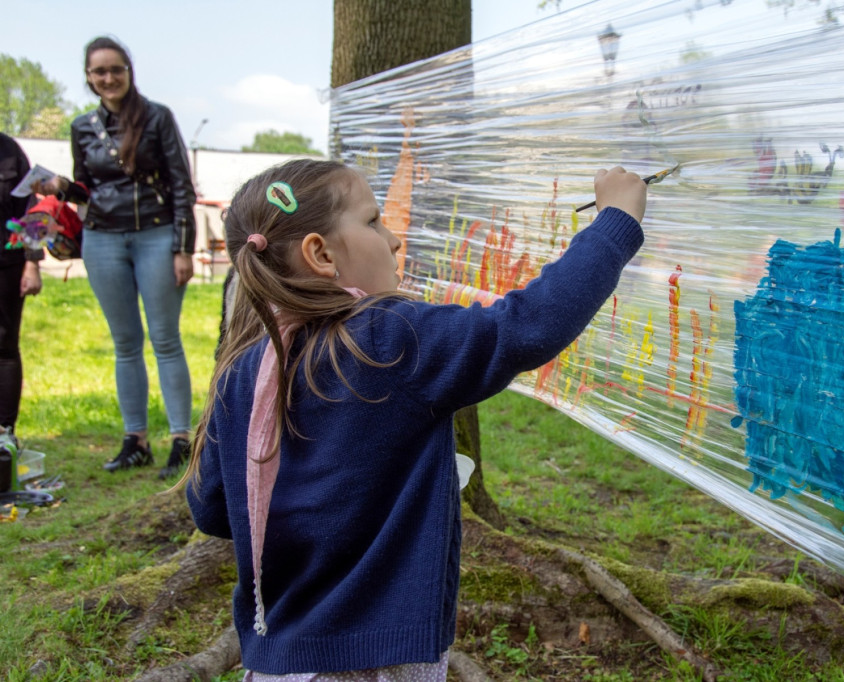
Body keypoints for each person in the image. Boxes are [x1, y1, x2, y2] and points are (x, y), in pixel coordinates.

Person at [179, 158, 647, 678]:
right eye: (374, 220)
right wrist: (615, 222)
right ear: (321, 253)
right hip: (377, 662)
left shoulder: (243, 371)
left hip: (276, 662)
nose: (394, 240)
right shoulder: (387, 339)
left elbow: (213, 510)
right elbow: (526, 326)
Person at [35, 36, 196, 478]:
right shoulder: (82, 126)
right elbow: (86, 189)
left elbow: (182, 184)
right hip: (102, 238)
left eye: (116, 69)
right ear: (88, 78)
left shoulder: (158, 117)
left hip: (157, 236)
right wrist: (61, 189)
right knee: (125, 343)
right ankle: (135, 440)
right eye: (99, 71)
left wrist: (184, 246)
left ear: (129, 71)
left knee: (165, 340)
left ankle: (182, 440)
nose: (108, 78)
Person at [0, 133, 43, 442]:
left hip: (7, 263)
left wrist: (32, 261)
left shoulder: (10, 151)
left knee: (4, 346)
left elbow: (31, 210)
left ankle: (4, 435)